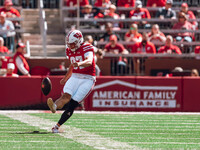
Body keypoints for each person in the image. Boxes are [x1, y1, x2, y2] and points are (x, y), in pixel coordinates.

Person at [47, 30, 96, 133]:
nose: (70, 46)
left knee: (72, 104)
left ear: (79, 41)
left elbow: (89, 61)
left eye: (72, 43)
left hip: (88, 79)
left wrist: (79, 63)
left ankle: (57, 126)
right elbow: (72, 65)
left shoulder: (87, 47)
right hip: (75, 76)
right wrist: (66, 78)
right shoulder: (69, 50)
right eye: (69, 43)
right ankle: (54, 106)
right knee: (65, 96)